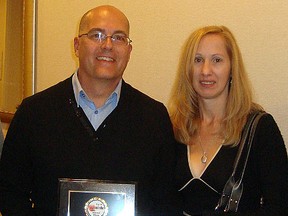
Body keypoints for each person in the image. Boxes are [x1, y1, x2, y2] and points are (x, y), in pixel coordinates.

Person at [0, 5, 179, 215]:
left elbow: (167, 202)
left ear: (129, 51)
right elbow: (10, 194)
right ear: (76, 45)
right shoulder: (33, 113)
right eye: (97, 35)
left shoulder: (154, 118)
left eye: (119, 38)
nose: (108, 45)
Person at [168, 25, 288, 215]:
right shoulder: (174, 127)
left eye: (217, 60)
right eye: (197, 60)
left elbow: (281, 207)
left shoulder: (260, 128)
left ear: (232, 67)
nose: (206, 70)